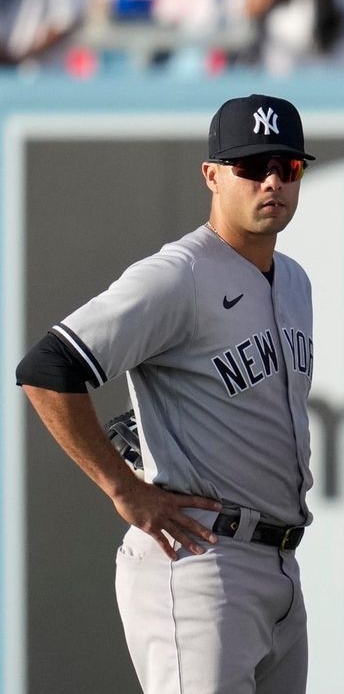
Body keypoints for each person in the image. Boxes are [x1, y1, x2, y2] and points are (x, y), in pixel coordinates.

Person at [14, 94, 316, 693]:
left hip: (280, 560)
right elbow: (47, 368)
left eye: (288, 167)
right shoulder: (180, 273)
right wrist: (122, 487)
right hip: (202, 563)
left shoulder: (296, 280)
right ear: (212, 175)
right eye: (252, 167)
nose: (273, 182)